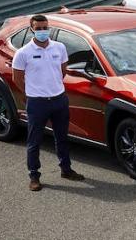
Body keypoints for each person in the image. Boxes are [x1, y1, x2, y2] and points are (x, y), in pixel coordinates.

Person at [12, 14, 84, 191]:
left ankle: (66, 170)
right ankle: (34, 176)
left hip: (59, 100)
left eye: (45, 28)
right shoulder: (23, 53)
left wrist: (53, 87)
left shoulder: (59, 47)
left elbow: (63, 70)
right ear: (32, 30)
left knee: (62, 138)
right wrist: (30, 94)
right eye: (38, 29)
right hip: (37, 103)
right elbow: (17, 78)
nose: (43, 31)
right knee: (34, 141)